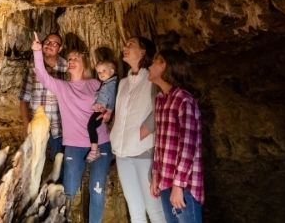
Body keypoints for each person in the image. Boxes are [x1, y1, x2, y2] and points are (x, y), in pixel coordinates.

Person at [31, 32, 111, 223]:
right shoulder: (63, 87)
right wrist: (36, 52)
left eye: (76, 58)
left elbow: (112, 99)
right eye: (69, 59)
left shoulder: (95, 84)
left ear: (84, 61)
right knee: (68, 190)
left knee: (97, 190)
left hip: (101, 143)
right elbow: (42, 75)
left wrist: (110, 112)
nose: (72, 61)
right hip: (74, 145)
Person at [110, 37, 166, 223]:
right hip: (122, 152)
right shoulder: (123, 83)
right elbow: (120, 114)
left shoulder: (152, 80)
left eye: (130, 45)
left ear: (143, 52)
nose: (124, 47)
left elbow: (161, 108)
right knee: (135, 209)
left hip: (144, 151)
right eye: (125, 44)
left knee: (154, 208)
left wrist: (142, 131)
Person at [148, 49, 204, 223]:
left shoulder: (184, 100)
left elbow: (188, 146)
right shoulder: (160, 99)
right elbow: (160, 142)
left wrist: (178, 185)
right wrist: (156, 175)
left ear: (166, 66)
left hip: (184, 184)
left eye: (155, 62)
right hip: (165, 180)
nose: (149, 66)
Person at [20, 32, 69, 159]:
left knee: (59, 164)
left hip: (59, 127)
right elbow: (24, 98)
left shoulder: (68, 67)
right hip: (36, 125)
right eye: (47, 41)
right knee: (33, 164)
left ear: (60, 48)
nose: (49, 45)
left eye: (54, 43)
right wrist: (26, 125)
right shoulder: (33, 67)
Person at [85, 60, 117, 163]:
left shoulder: (111, 84)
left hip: (104, 111)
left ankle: (95, 150)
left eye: (104, 70)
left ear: (112, 71)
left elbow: (111, 98)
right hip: (102, 109)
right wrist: (97, 104)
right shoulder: (107, 83)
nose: (101, 74)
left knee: (91, 125)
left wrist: (109, 111)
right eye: (99, 72)